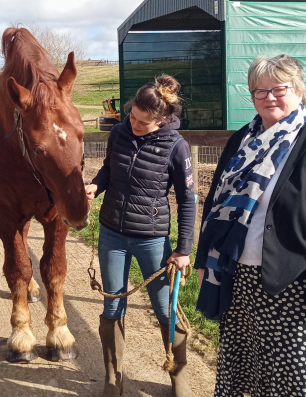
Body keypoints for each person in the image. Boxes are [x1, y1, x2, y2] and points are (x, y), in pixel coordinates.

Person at [195, 55, 306, 397]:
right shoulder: (242, 141)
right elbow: (217, 201)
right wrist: (205, 259)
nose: (269, 97)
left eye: (278, 89)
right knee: (247, 367)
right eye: (259, 91)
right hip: (240, 278)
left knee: (298, 376)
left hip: (296, 285)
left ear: (299, 91)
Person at [85, 74, 197, 397]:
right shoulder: (119, 133)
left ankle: (180, 381)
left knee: (166, 310)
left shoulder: (177, 147)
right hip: (112, 234)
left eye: (142, 122)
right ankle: (113, 381)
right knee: (112, 307)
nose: (132, 123)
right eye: (132, 115)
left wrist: (183, 249)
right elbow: (108, 168)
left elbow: (187, 199)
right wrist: (97, 184)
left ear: (162, 120)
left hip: (152, 239)